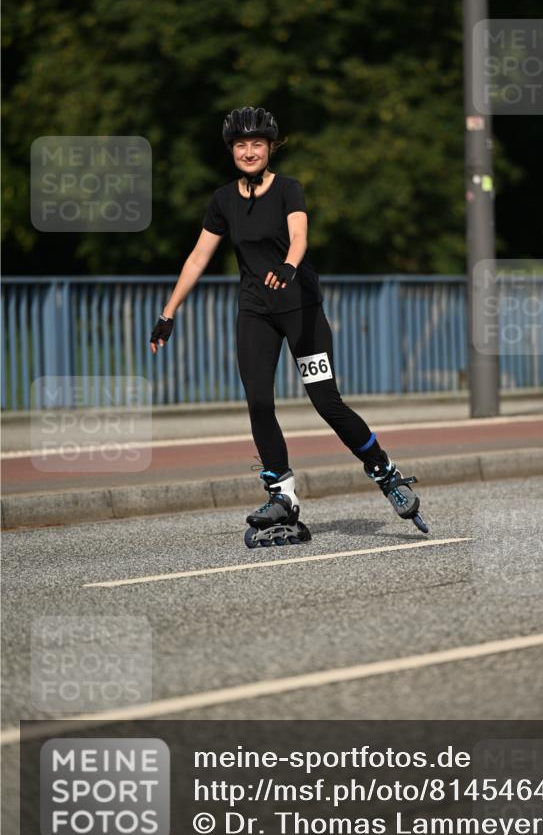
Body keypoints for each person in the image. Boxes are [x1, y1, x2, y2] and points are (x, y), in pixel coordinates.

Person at [150, 106, 426, 543]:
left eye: (257, 143)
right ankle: (281, 493)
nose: (248, 151)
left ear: (270, 147)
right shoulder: (223, 200)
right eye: (240, 145)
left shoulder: (289, 190)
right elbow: (198, 257)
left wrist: (289, 264)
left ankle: (385, 472)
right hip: (256, 311)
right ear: (231, 150)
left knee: (327, 402)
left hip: (301, 310)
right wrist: (168, 313)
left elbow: (299, 236)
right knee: (259, 401)